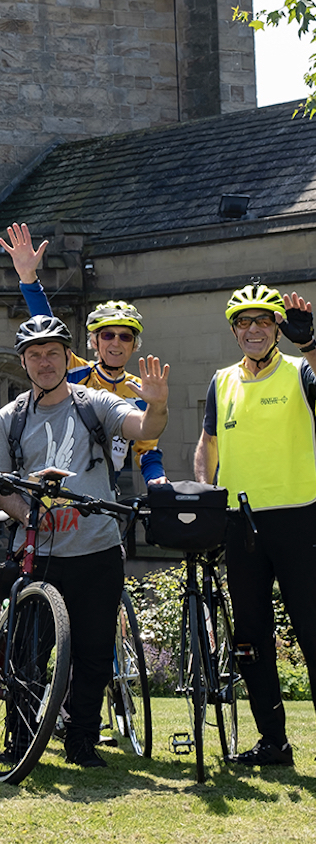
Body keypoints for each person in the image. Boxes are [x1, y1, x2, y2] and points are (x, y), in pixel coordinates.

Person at [0, 315, 169, 767]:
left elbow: (144, 429)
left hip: (96, 549)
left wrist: (158, 405)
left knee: (92, 653)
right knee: (27, 654)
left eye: (53, 353)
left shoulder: (96, 404)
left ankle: (82, 740)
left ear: (66, 357)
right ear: (24, 362)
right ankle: (21, 738)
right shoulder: (9, 419)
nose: (45, 362)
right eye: (35, 355)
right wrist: (30, 517)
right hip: (39, 555)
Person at [194, 283, 316, 767]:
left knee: (312, 631)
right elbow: (207, 445)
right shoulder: (221, 381)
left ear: (277, 328)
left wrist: (310, 343)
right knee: (249, 638)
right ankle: (273, 743)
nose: (253, 329)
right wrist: (206, 495)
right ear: (233, 330)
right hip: (240, 525)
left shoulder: (301, 371)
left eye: (263, 320)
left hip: (300, 518)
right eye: (243, 322)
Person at [0, 222, 167, 488]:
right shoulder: (76, 370)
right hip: (59, 475)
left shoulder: (141, 389)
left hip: (106, 484)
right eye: (107, 335)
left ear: (134, 345)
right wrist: (28, 278)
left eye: (125, 336)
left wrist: (156, 479)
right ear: (94, 341)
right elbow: (47, 326)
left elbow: (146, 448)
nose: (116, 342)